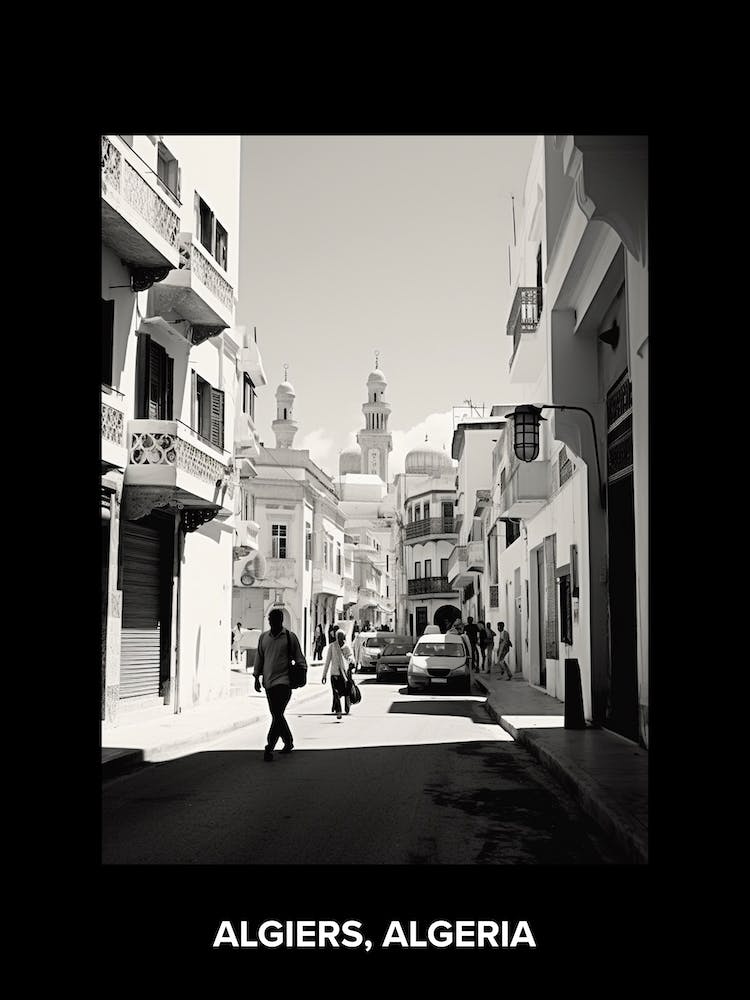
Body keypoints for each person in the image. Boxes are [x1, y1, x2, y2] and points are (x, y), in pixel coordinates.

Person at [253, 608, 307, 761]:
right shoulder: (264, 638)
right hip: (268, 683)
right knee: (277, 715)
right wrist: (256, 677)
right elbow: (259, 658)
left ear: (280, 621)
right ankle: (288, 741)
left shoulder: (289, 638)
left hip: (284, 683)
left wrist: (300, 674)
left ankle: (269, 747)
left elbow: (300, 659)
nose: (272, 623)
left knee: (277, 714)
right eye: (270, 620)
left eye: (274, 620)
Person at [322, 629, 355, 720]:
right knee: (336, 693)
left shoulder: (346, 647)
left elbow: (351, 657)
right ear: (336, 637)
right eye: (339, 636)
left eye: (342, 636)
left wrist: (350, 660)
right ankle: (338, 711)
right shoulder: (332, 646)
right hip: (334, 674)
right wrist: (324, 675)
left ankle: (347, 703)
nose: (340, 638)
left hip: (344, 675)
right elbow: (328, 661)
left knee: (346, 691)